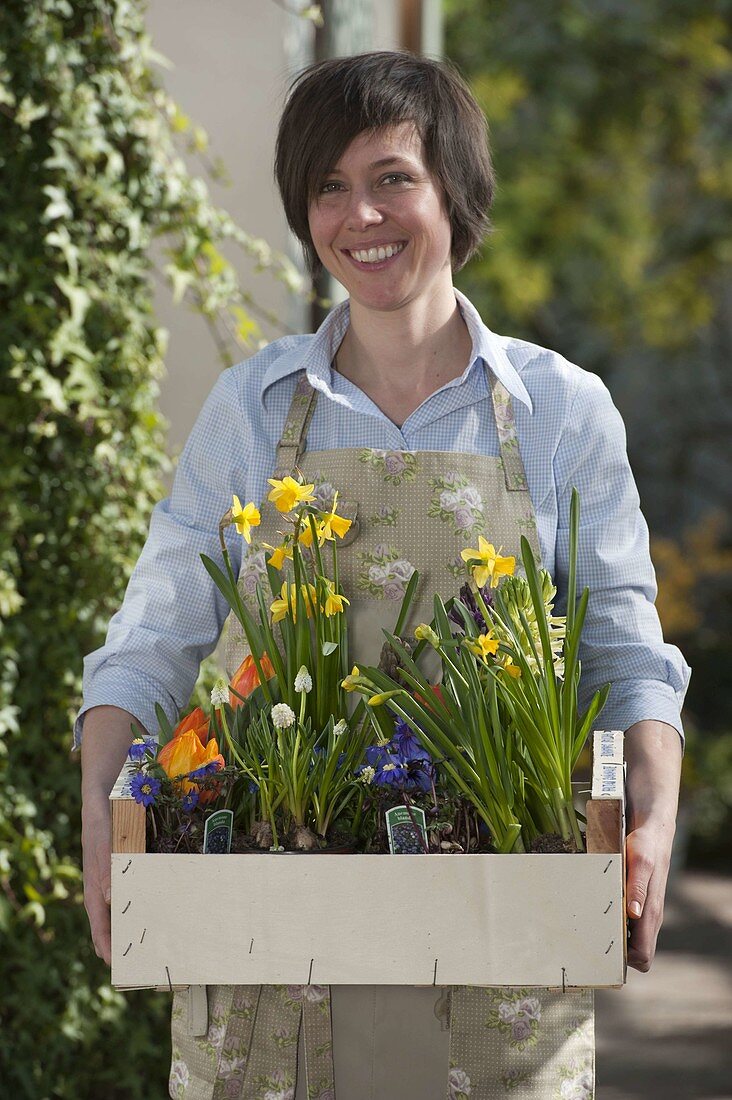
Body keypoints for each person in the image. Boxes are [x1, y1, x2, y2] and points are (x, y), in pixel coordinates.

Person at [78, 51, 689, 1100]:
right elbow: (152, 638)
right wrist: (101, 809)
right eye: (329, 186)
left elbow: (626, 649)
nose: (361, 213)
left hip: (499, 937)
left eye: (392, 176)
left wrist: (652, 818)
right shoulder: (252, 410)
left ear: (455, 188)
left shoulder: (559, 411)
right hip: (269, 945)